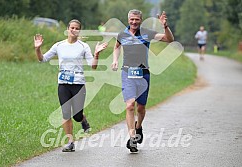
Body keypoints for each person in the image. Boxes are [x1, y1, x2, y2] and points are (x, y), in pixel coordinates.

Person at [34, 19, 107, 152]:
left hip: (78, 83)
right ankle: (70, 142)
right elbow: (42, 59)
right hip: (63, 83)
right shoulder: (59, 45)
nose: (73, 30)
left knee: (77, 115)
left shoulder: (83, 46)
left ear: (79, 31)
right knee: (66, 113)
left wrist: (96, 54)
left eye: (76, 28)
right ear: (68, 29)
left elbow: (93, 65)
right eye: (71, 27)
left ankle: (83, 119)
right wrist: (38, 48)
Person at [111, 9, 174, 152]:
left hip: (143, 74)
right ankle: (132, 138)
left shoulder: (147, 33)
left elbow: (169, 39)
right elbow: (116, 47)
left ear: (141, 20)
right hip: (127, 72)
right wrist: (115, 60)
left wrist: (165, 26)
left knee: (141, 108)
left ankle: (138, 127)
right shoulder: (122, 34)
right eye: (132, 19)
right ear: (128, 20)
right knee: (129, 106)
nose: (134, 22)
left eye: (137, 20)